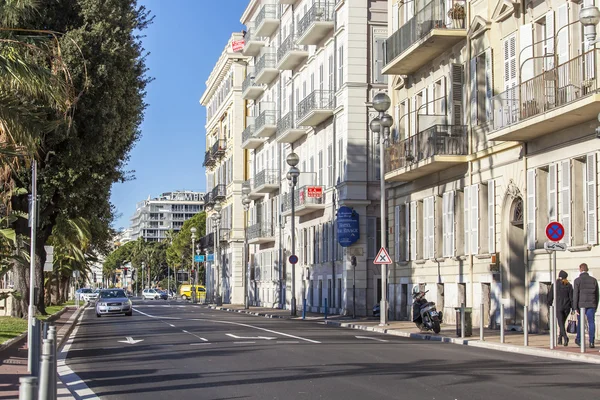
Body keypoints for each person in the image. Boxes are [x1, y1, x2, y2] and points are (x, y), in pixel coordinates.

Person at [573, 263, 599, 348]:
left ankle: (580, 340)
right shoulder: (594, 280)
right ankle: (591, 341)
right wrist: (596, 306)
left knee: (581, 322)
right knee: (591, 322)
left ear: (580, 269)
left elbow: (575, 295)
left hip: (581, 305)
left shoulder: (577, 280)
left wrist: (575, 307)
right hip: (591, 304)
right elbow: (597, 294)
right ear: (587, 269)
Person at [547, 270, 573, 346]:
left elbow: (550, 296)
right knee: (562, 323)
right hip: (567, 307)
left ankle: (565, 337)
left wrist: (549, 304)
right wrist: (573, 307)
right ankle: (559, 338)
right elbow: (571, 297)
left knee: (561, 323)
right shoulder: (569, 285)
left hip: (559, 307)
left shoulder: (555, 285)